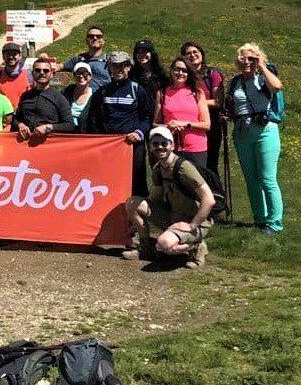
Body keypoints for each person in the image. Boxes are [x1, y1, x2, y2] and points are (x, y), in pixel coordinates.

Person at [123, 126, 214, 268]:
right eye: (155, 144)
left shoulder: (184, 168)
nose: (160, 147)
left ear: (172, 145)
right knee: (132, 202)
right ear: (151, 148)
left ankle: (197, 246)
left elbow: (209, 199)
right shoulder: (158, 169)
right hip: (173, 217)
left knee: (164, 244)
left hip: (195, 221)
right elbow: (154, 198)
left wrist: (192, 225)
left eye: (164, 143)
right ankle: (146, 247)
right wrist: (133, 219)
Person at [225, 43, 284, 234]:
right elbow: (233, 105)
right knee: (251, 179)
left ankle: (274, 222)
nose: (247, 63)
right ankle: (259, 219)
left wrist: (263, 66)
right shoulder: (234, 82)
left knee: (267, 179)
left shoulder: (263, 78)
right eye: (243, 59)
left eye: (251, 59)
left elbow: (277, 86)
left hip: (265, 131)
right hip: (242, 133)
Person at [86, 50, 154, 195]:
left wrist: (139, 133)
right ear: (109, 68)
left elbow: (147, 118)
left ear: (129, 67)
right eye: (115, 66)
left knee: (136, 183)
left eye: (122, 66)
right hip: (109, 147)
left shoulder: (137, 90)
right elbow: (94, 119)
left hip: (132, 145)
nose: (119, 70)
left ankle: (139, 215)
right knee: (108, 183)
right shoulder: (103, 92)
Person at [155, 57, 211, 171]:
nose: (180, 73)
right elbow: (155, 124)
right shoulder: (162, 93)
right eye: (177, 69)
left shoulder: (197, 92)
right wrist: (169, 126)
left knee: (196, 185)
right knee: (173, 185)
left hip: (196, 149)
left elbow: (206, 124)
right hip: (170, 148)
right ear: (171, 71)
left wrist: (186, 124)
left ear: (188, 73)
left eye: (184, 70)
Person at [180, 41, 226, 175]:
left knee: (210, 164)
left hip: (211, 124)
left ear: (201, 54)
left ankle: (214, 194)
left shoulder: (212, 74)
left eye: (195, 52)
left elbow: (218, 101)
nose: (192, 55)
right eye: (188, 54)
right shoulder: (183, 76)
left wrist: (197, 103)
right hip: (190, 125)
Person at [14, 59, 73, 141]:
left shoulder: (59, 98)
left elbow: (70, 125)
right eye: (37, 70)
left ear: (52, 74)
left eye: (46, 71)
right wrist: (20, 124)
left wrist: (48, 127)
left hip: (48, 147)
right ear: (32, 73)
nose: (42, 73)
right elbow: (16, 119)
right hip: (25, 146)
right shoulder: (25, 96)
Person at [0, 41, 33, 109]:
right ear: (3, 56)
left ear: (20, 56)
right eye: (8, 54)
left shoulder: (29, 74)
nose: (11, 57)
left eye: (14, 54)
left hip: (24, 116)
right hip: (5, 116)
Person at [63, 61, 96, 128]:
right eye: (78, 73)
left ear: (90, 77)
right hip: (68, 131)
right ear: (74, 77)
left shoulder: (96, 96)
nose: (81, 76)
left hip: (86, 133)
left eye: (85, 73)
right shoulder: (67, 92)